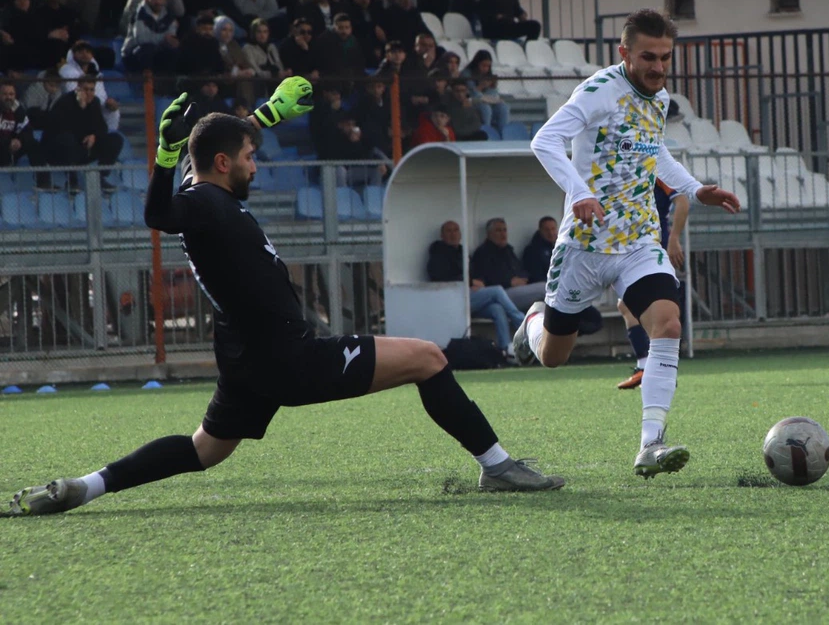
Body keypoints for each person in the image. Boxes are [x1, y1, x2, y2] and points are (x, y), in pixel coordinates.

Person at [3, 79, 563, 517]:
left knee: (204, 450)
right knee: (430, 358)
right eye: (250, 156)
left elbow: (213, 146)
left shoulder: (209, 194)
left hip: (248, 360)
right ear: (224, 164)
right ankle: (497, 466)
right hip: (289, 356)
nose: (257, 162)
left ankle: (85, 487)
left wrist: (263, 116)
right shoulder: (205, 204)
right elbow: (159, 211)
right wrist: (165, 156)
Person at [511, 9, 740, 478]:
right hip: (584, 247)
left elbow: (653, 153)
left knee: (669, 324)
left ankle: (651, 444)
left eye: (665, 58)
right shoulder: (600, 91)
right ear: (624, 54)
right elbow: (544, 141)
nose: (658, 67)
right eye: (648, 57)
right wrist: (580, 193)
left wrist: (695, 189)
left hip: (638, 240)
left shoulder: (659, 99)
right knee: (555, 357)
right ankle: (535, 319)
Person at [615, 180, 690, 390]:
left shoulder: (655, 167)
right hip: (633, 247)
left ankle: (657, 368)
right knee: (627, 306)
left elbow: (682, 201)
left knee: (648, 309)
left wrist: (674, 239)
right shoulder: (627, 167)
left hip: (654, 247)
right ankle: (648, 368)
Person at [427, 220, 526, 361]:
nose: (453, 234)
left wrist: (478, 281)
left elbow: (476, 273)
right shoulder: (438, 252)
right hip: (452, 298)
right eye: (449, 231)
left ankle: (506, 350)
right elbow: (440, 275)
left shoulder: (463, 252)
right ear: (442, 235)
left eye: (456, 230)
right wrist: (470, 281)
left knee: (497, 309)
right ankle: (522, 323)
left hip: (469, 296)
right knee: (497, 291)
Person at [462, 50, 508, 136]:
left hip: (486, 99)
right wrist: (481, 86)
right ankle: (487, 133)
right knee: (485, 108)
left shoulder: (488, 75)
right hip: (471, 100)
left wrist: (492, 88)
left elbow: (493, 94)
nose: (485, 69)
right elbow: (473, 93)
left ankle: (503, 133)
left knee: (503, 107)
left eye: (488, 66)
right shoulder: (467, 74)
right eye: (483, 65)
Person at [0, 79, 42, 168]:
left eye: (11, 94)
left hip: (12, 148)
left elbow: (27, 130)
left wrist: (19, 141)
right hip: (2, 147)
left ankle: (42, 180)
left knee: (34, 144)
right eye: (5, 94)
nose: (8, 97)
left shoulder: (18, 110)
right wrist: (8, 143)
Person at [522, 216, 559, 284]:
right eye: (547, 230)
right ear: (540, 231)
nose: (551, 233)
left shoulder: (559, 247)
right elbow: (536, 276)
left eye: (553, 229)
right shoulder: (532, 251)